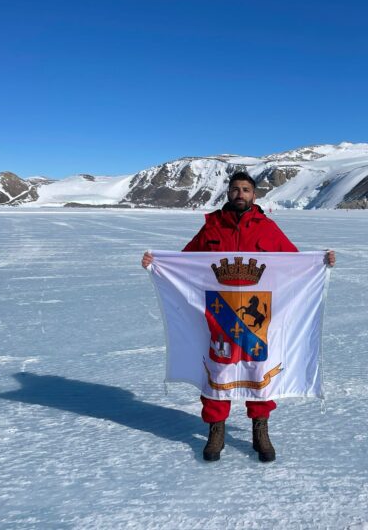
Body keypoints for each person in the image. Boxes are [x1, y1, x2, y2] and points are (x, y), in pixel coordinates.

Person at [143, 171, 335, 462]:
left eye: (245, 189)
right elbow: (185, 262)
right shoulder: (211, 228)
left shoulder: (268, 229)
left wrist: (321, 262)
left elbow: (294, 263)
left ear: (254, 195)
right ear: (228, 193)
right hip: (219, 318)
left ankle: (261, 429)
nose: (240, 194)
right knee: (217, 372)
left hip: (258, 322)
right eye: (235, 189)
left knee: (259, 372)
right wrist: (157, 264)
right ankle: (215, 429)